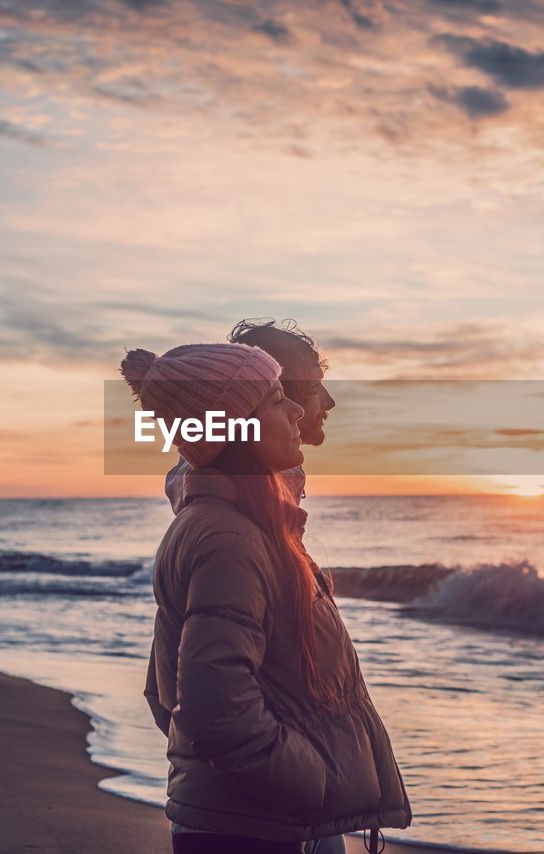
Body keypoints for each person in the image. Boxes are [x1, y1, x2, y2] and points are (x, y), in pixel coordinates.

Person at [122, 343, 411, 854]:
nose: (304, 409)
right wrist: (311, 780)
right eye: (281, 397)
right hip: (254, 824)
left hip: (260, 817)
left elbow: (177, 687)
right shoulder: (227, 536)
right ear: (241, 427)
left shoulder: (253, 526)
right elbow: (209, 706)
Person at [166, 319, 336, 511]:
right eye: (314, 386)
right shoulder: (237, 506)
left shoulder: (211, 488)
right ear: (273, 394)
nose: (329, 402)